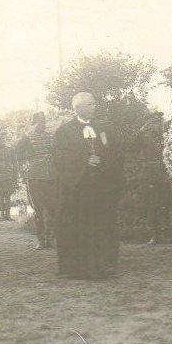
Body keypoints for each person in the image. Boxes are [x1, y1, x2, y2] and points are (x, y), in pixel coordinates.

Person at [52, 92, 123, 278]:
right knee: (80, 226)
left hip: (101, 188)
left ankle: (105, 264)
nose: (94, 107)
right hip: (78, 190)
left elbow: (115, 152)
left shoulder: (103, 128)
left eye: (94, 104)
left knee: (103, 225)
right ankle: (79, 268)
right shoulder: (64, 132)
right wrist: (85, 161)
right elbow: (60, 158)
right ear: (78, 108)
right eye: (90, 104)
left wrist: (105, 164)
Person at [16, 112, 55, 248]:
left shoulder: (51, 137)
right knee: (38, 209)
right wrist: (24, 170)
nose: (41, 124)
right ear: (34, 124)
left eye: (43, 121)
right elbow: (19, 156)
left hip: (50, 176)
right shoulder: (27, 139)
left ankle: (50, 238)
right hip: (35, 177)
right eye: (39, 122)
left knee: (52, 208)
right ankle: (41, 239)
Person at [135, 112, 171, 245]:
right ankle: (155, 234)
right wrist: (142, 130)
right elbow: (132, 146)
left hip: (163, 172)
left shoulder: (166, 135)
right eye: (153, 122)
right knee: (151, 204)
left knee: (164, 203)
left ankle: (164, 233)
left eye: (158, 121)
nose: (156, 124)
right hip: (148, 173)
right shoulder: (143, 136)